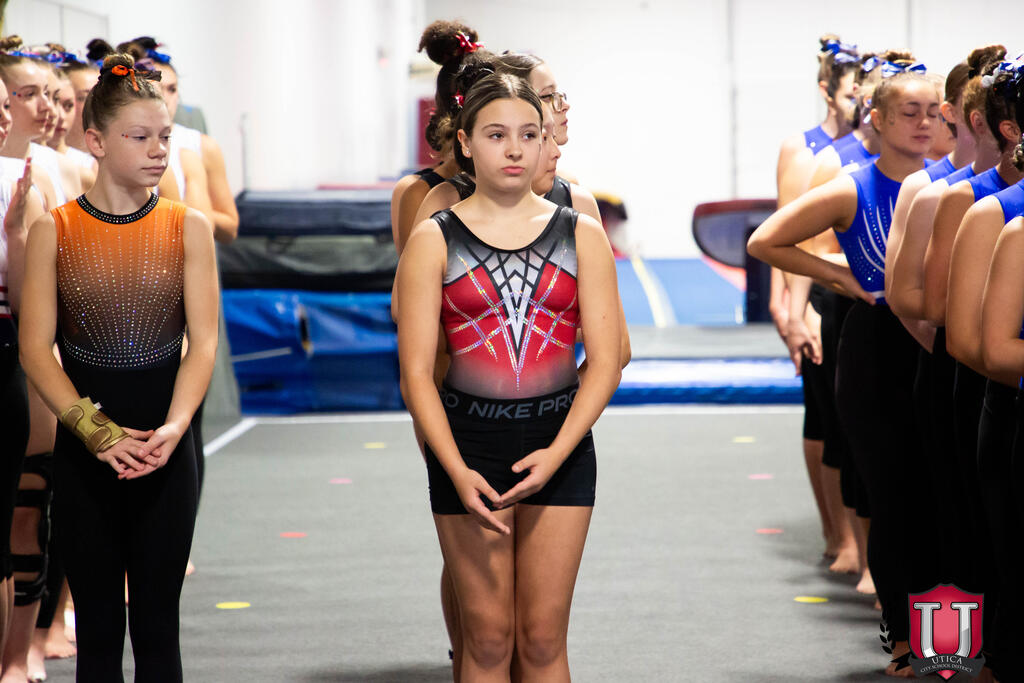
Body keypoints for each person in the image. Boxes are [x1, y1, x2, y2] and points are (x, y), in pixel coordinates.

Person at [397, 72, 620, 681]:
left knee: (543, 640)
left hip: (559, 444)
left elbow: (606, 362)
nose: (515, 149)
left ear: (545, 139)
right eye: (497, 135)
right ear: (465, 142)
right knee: (488, 640)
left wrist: (558, 453)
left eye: (528, 134)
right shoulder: (433, 238)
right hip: (468, 449)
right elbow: (416, 374)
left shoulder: (581, 233)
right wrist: (452, 467)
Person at [18, 52, 217, 682]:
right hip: (87, 453)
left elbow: (203, 343)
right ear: (96, 141)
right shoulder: (55, 230)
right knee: (100, 632)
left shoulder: (187, 227)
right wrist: (94, 431)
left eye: (165, 136)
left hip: (165, 451)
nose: (158, 150)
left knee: (158, 627)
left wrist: (175, 428)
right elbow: (35, 349)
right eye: (139, 137)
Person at [748, 63, 939, 677]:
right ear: (876, 120)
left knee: (944, 503)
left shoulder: (950, 185)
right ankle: (904, 641)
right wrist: (837, 276)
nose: (924, 123)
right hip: (876, 345)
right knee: (892, 499)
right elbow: (766, 241)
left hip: (938, 346)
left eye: (933, 112)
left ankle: (949, 648)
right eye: (909, 112)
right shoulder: (852, 186)